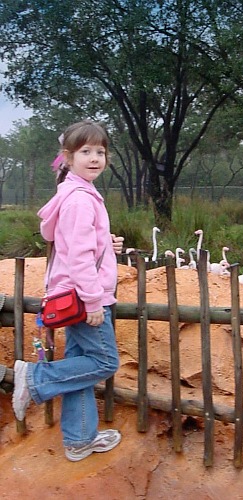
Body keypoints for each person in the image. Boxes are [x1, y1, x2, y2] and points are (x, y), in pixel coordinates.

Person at [12, 120, 124, 462]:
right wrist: (93, 301)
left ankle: (79, 441)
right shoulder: (80, 200)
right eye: (85, 152)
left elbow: (73, 242)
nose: (94, 158)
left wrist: (107, 243)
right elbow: (77, 257)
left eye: (100, 152)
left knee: (79, 365)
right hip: (84, 296)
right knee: (104, 362)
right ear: (68, 157)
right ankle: (34, 378)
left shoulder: (77, 194)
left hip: (72, 293)